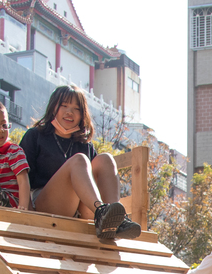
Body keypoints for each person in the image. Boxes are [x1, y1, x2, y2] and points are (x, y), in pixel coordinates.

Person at [19, 86, 140, 242]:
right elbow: (22, 175)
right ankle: (102, 212)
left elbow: (96, 180)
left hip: (81, 209)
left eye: (76, 109)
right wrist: (27, 212)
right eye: (64, 106)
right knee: (79, 160)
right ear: (53, 107)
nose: (70, 112)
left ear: (82, 115)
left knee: (106, 159)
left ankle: (115, 220)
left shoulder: (85, 145)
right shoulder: (35, 136)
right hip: (45, 204)